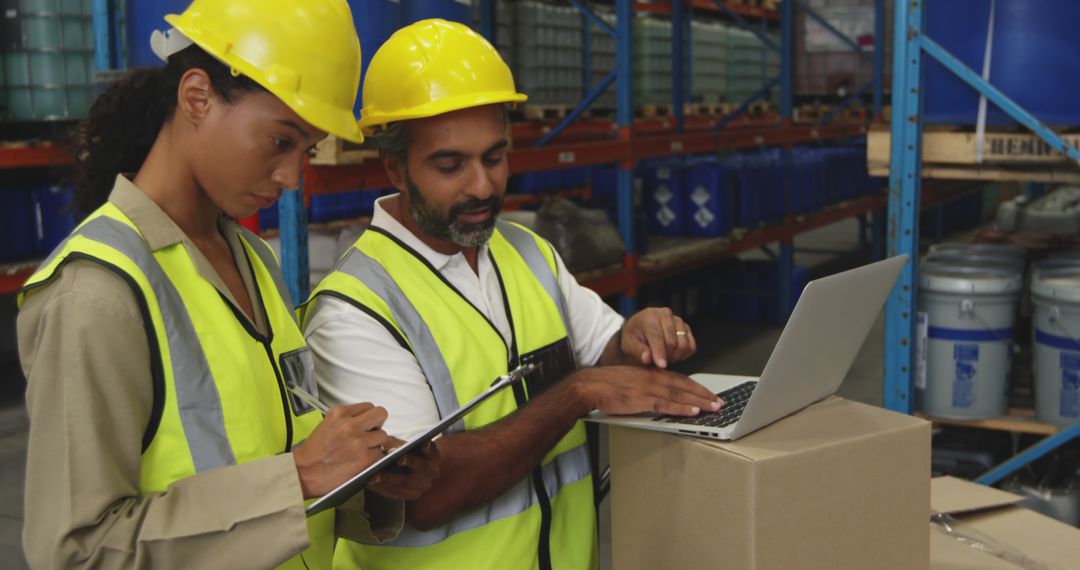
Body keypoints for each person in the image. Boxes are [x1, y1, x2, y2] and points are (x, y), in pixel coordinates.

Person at [16, 1, 439, 568]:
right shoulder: (98, 295)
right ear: (197, 97)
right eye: (279, 142)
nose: (293, 177)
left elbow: (267, 451)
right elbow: (76, 552)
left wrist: (365, 477)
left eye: (307, 150)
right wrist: (297, 477)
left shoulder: (251, 260)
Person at [301, 19, 723, 570]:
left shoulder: (527, 252)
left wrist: (638, 338)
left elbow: (606, 355)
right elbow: (427, 495)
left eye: (494, 157)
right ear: (395, 167)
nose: (481, 186)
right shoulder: (355, 311)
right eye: (450, 165)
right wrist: (579, 393)